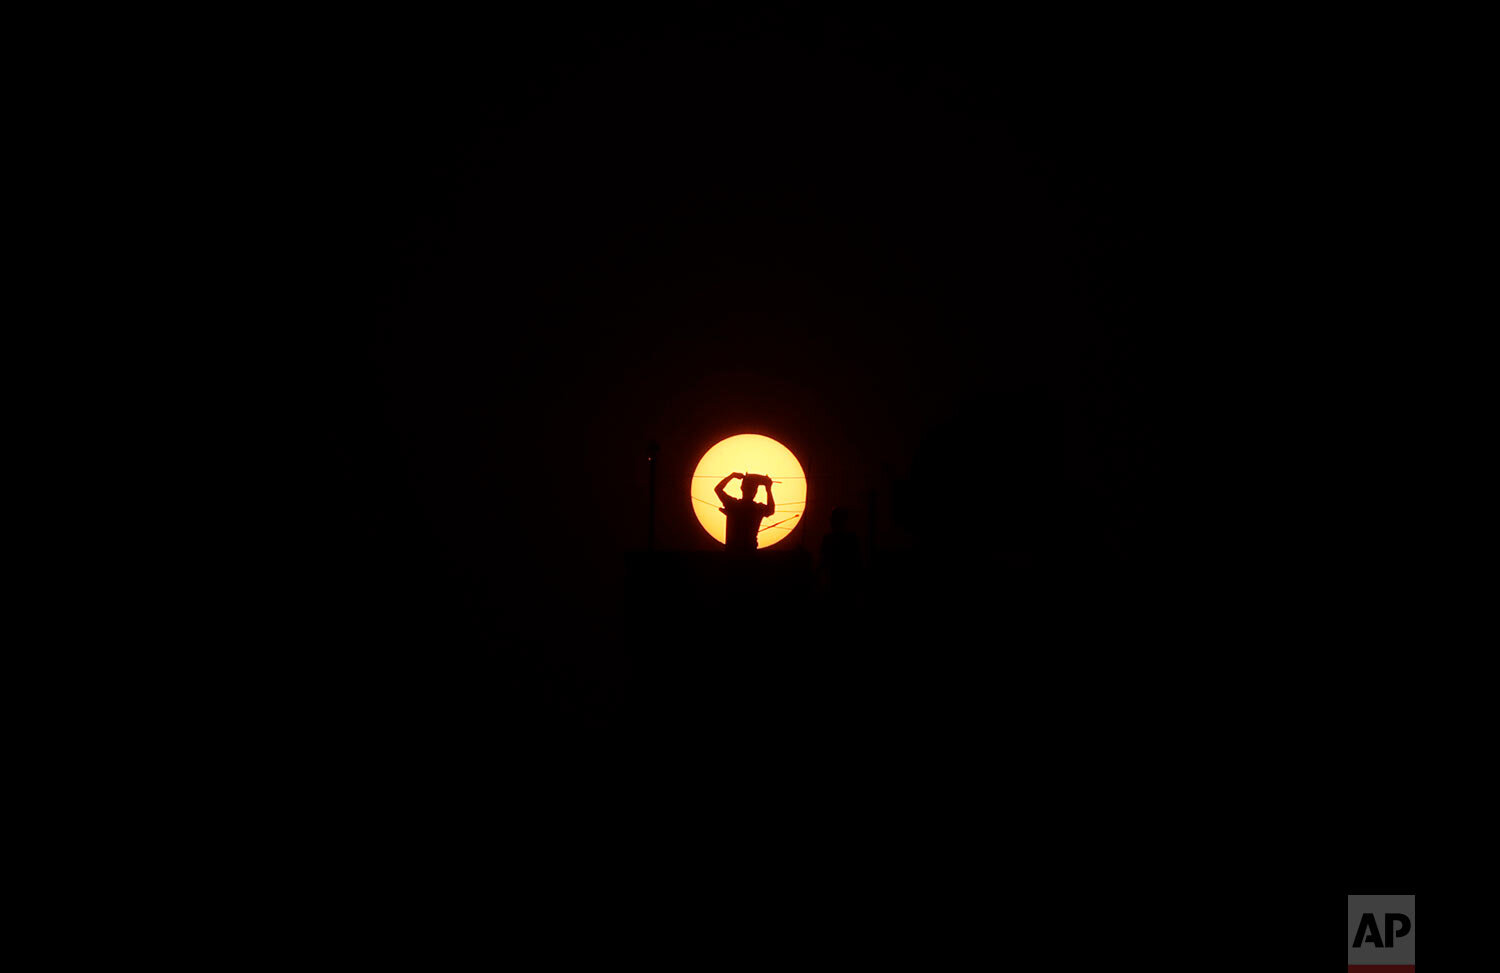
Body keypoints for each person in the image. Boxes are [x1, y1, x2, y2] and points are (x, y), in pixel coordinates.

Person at [715, 472, 775, 552]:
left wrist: (732, 476)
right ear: (755, 491)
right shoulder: (758, 508)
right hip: (750, 550)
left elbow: (718, 489)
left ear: (742, 488)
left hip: (732, 551)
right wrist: (768, 489)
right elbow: (771, 510)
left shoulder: (732, 504)